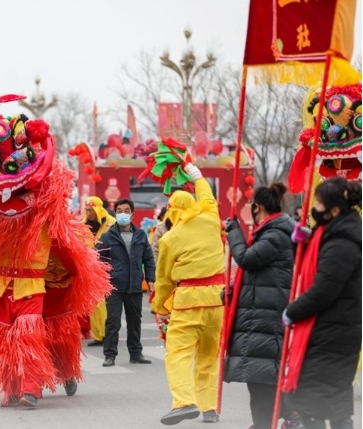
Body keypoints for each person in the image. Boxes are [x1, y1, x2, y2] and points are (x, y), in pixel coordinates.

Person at [283, 178, 361, 429]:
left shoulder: (343, 242)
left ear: (334, 210)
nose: (315, 207)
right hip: (330, 329)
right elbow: (311, 266)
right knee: (327, 405)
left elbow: (324, 289)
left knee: (313, 404)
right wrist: (300, 245)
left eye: (319, 202)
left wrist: (292, 311)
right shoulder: (332, 233)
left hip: (334, 332)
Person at [153, 163, 225, 425]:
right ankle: (209, 408)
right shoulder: (211, 218)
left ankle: (184, 402)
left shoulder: (169, 239)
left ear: (172, 211)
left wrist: (160, 307)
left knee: (179, 353)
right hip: (217, 300)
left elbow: (163, 280)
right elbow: (207, 197)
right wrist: (197, 176)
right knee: (208, 355)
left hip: (187, 301)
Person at [223, 182, 296, 429]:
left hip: (266, 317)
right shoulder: (270, 230)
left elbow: (247, 260)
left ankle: (278, 420)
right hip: (260, 313)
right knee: (259, 379)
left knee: (260, 378)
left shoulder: (275, 233)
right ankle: (271, 422)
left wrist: (234, 232)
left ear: (258, 206)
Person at [97, 198, 155, 367]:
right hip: (114, 285)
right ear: (115, 214)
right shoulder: (107, 237)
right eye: (120, 211)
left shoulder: (140, 235)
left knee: (135, 321)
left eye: (126, 210)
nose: (123, 213)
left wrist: (150, 278)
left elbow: (148, 258)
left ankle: (136, 354)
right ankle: (110, 355)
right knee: (113, 322)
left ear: (132, 214)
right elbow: (99, 260)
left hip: (135, 285)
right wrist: (102, 280)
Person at [83, 196, 116, 348]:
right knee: (95, 303)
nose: (88, 213)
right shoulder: (83, 225)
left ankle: (109, 334)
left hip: (110, 267)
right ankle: (99, 335)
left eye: (91, 210)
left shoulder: (111, 224)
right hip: (91, 269)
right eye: (87, 210)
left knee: (112, 304)